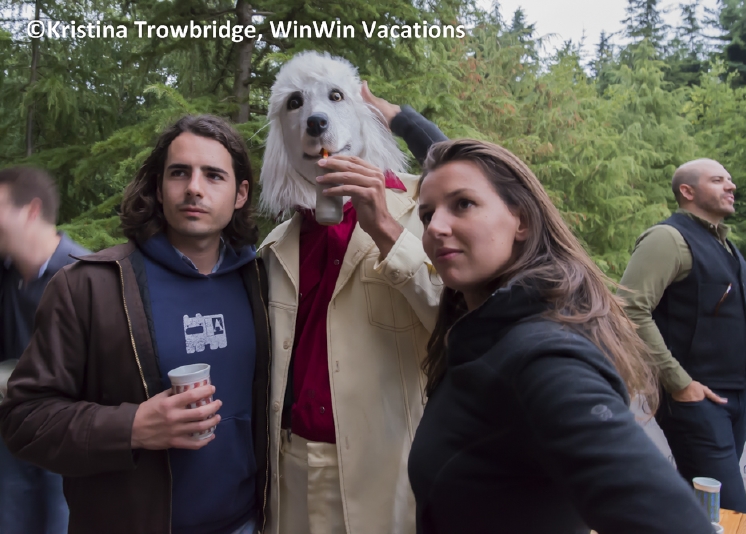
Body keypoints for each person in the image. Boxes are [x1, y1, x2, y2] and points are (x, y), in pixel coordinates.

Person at [406, 138, 715, 534]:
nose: (435, 227)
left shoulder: (541, 358)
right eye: (427, 214)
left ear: (522, 221)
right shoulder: (480, 336)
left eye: (463, 204)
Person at [0, 115, 270, 534]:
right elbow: (24, 419)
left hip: (245, 524)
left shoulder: (261, 283)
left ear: (241, 194)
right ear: (159, 188)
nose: (194, 187)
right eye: (179, 172)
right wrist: (133, 427)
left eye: (214, 175)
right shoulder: (89, 286)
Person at [257, 61, 447, 534]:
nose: (314, 117)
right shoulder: (274, 248)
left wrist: (385, 229)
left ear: (364, 117)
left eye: (335, 97)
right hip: (291, 471)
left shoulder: (423, 213)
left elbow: (461, 321)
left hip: (388, 473)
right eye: (295, 104)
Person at [618, 158, 746, 513]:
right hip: (694, 402)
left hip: (734, 401)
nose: (731, 186)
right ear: (687, 191)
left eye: (730, 179)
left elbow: (737, 332)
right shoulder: (667, 239)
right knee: (730, 512)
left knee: (701, 512)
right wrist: (680, 383)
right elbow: (629, 310)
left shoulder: (728, 248)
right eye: (718, 180)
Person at [0, 166, 86, 534]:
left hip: (65, 450)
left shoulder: (85, 277)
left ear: (31, 211)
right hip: (10, 444)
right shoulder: (6, 273)